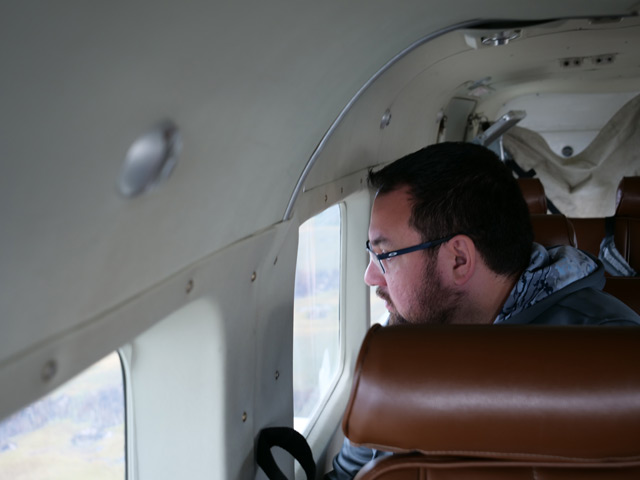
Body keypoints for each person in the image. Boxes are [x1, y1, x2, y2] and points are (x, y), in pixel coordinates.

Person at [325, 142, 640, 480]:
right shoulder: (399, 348)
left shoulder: (615, 355)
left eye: (384, 255)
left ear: (459, 259)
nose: (370, 276)